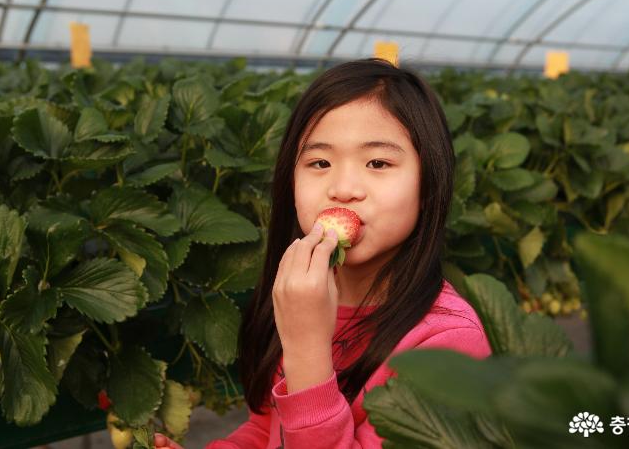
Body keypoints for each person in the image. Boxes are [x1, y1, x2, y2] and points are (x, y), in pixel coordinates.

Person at [155, 58, 491, 449]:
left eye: (378, 162)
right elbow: (269, 431)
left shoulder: (447, 344)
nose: (344, 188)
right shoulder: (299, 295)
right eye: (320, 162)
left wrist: (307, 348)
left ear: (429, 181)